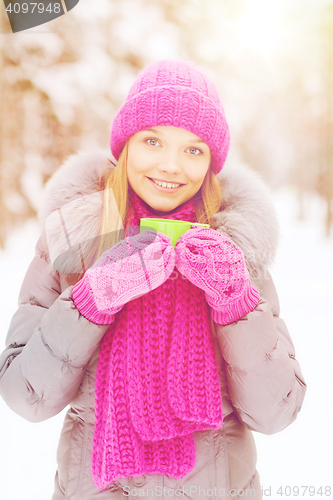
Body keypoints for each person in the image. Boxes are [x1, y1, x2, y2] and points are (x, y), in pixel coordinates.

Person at [0, 60, 306, 500]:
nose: (171, 165)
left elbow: (276, 413)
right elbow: (25, 397)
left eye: (193, 150)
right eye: (152, 140)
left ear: (211, 163)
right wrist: (90, 303)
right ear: (126, 145)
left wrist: (235, 303)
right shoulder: (74, 239)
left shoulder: (235, 249)